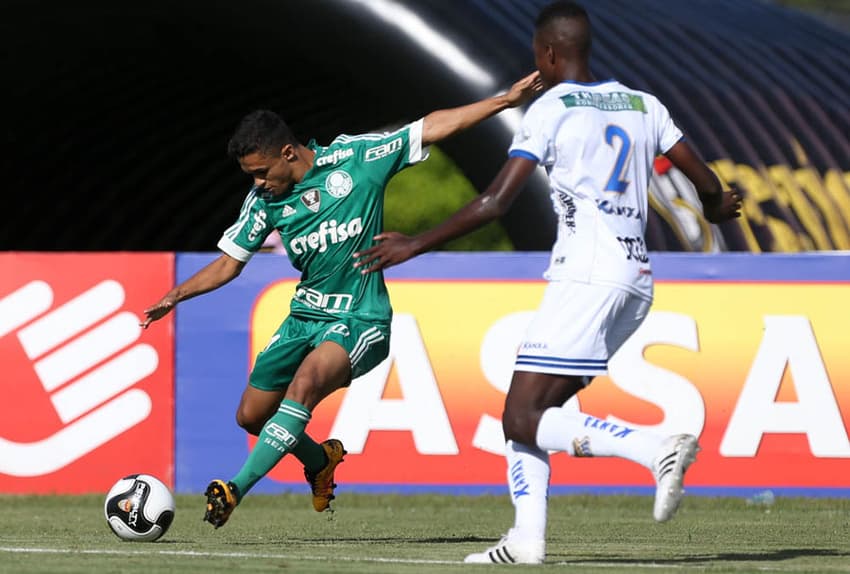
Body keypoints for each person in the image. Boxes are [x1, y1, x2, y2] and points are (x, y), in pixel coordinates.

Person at [352, 1, 742, 564]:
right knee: (533, 416)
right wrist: (717, 206)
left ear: (549, 53)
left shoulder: (551, 107)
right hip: (634, 281)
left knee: (520, 416)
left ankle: (655, 447)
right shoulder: (643, 103)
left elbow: (496, 201)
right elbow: (704, 182)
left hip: (586, 276)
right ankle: (526, 541)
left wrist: (415, 242)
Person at [140, 71, 543, 529]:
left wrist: (505, 101)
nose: (257, 183)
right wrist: (177, 294)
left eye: (261, 172)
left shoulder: (356, 160)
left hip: (360, 317)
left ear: (289, 153)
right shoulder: (263, 202)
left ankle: (234, 489)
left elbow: (430, 126)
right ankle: (319, 462)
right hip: (303, 317)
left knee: (306, 384)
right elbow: (229, 263)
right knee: (252, 416)